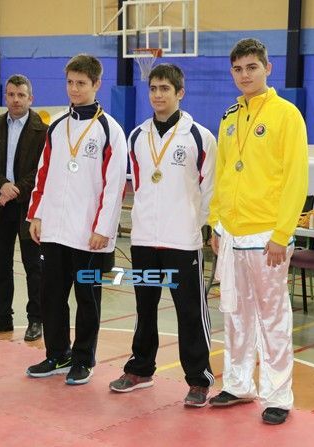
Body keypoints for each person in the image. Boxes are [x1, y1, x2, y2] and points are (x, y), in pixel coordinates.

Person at [207, 38, 308, 425]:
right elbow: (222, 172)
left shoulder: (286, 114)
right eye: (237, 69)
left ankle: (278, 394)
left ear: (268, 68)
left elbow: (296, 178)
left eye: (252, 67)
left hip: (267, 235)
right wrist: (216, 223)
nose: (244, 75)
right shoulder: (229, 116)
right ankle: (238, 383)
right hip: (231, 233)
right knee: (235, 313)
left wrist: (282, 233)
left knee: (272, 317)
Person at [108, 63, 217, 407]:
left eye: (165, 89)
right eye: (153, 89)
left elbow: (210, 188)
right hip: (144, 239)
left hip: (182, 240)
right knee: (145, 307)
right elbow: (141, 185)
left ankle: (199, 379)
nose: (158, 95)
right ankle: (140, 369)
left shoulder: (199, 136)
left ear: (180, 93)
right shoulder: (137, 136)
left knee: (190, 311)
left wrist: (197, 225)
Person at [25, 54, 127, 385]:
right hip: (54, 229)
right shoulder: (57, 125)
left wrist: (103, 229)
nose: (74, 89)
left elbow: (115, 185)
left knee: (87, 299)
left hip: (88, 234)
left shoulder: (110, 130)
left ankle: (84, 359)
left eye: (81, 83)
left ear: (97, 84)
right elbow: (43, 173)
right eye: (70, 82)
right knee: (51, 296)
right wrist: (37, 215)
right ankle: (57, 354)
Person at [0, 74, 47, 341]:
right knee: (0, 265)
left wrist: (15, 190)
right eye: (11, 94)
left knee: (34, 267)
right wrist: (2, 185)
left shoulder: (43, 131)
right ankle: (2, 317)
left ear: (30, 98)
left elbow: (43, 169)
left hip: (29, 209)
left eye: (21, 95)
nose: (16, 100)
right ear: (5, 97)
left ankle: (36, 319)